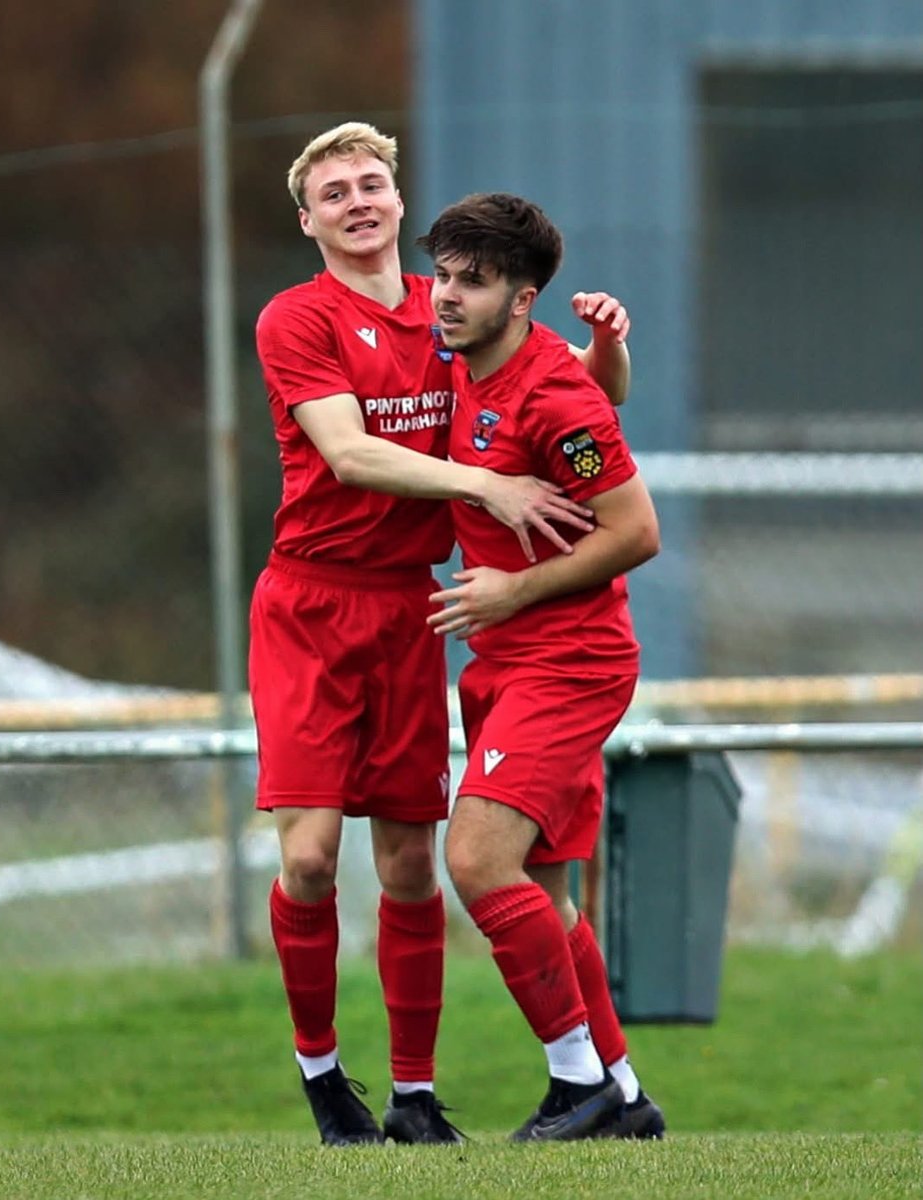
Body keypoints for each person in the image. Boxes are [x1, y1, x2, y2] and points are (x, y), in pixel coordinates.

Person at [251, 121, 633, 1147]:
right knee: (313, 859)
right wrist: (486, 485)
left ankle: (418, 1098)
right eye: (334, 192)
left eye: (372, 182)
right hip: (312, 603)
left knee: (419, 868)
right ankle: (325, 1076)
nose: (358, 201)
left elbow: (577, 409)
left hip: (417, 610)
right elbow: (348, 456)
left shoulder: (454, 307)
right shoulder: (296, 317)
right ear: (309, 220)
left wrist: (607, 348)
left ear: (396, 199)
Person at [417, 192, 665, 1140]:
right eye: (442, 275)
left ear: (522, 300)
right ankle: (625, 1100)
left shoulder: (549, 392)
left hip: (567, 662)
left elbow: (637, 531)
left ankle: (578, 1084)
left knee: (477, 861)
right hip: (508, 661)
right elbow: (603, 383)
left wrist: (513, 591)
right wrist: (607, 354)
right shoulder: (494, 361)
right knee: (548, 891)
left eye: (471, 284)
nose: (446, 296)